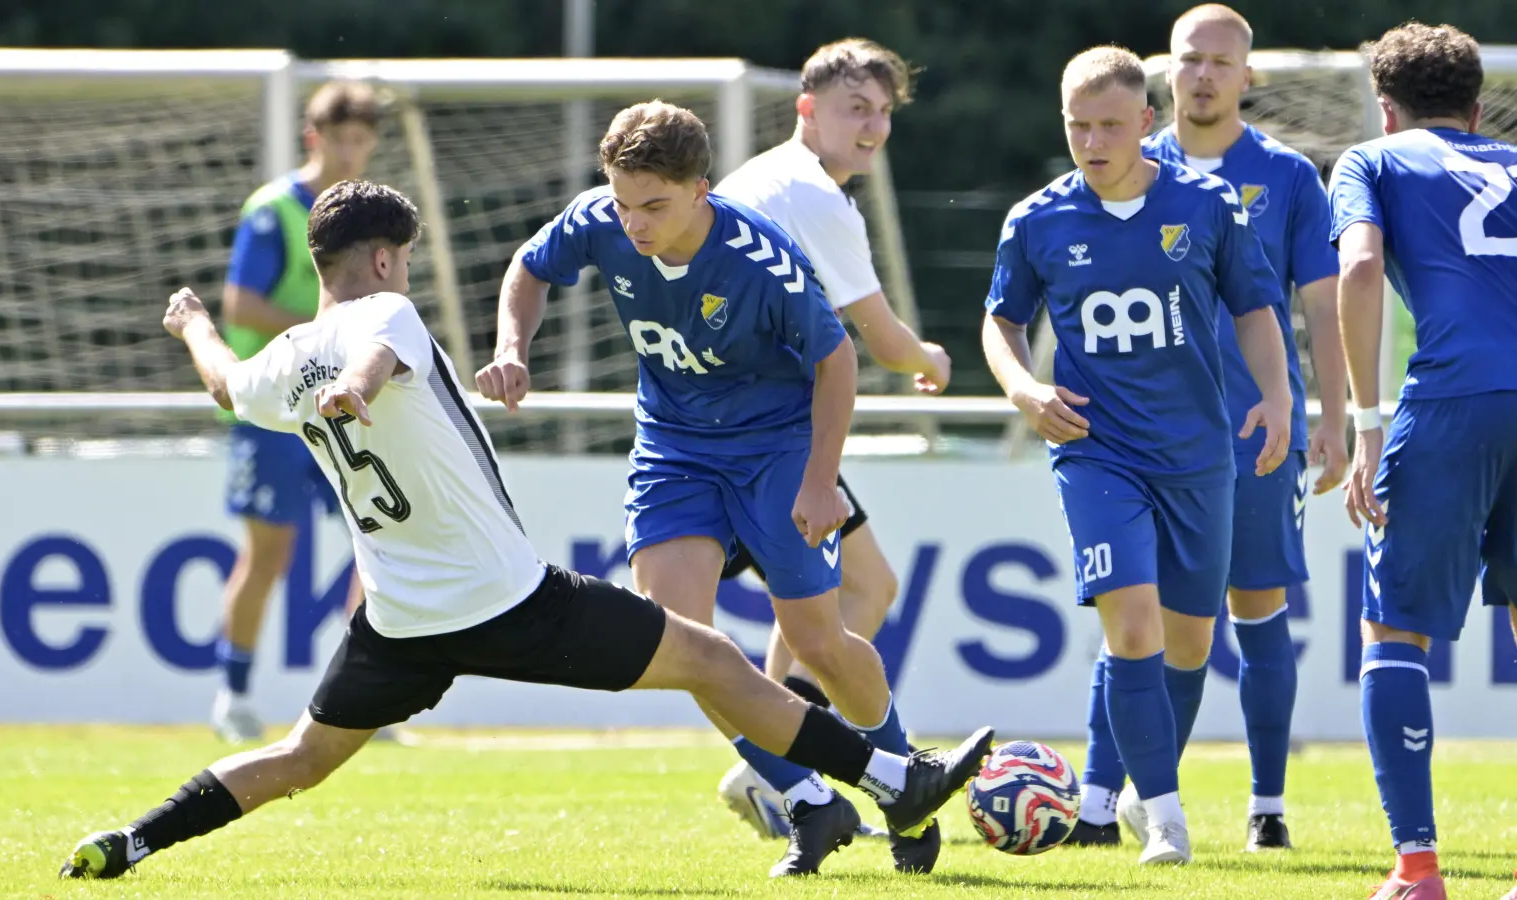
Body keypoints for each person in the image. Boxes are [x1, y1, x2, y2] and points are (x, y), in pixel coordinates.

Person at [58, 179, 997, 881]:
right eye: (407, 262)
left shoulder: (283, 363)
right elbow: (382, 352)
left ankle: (133, 840)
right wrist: (362, 385)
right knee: (713, 659)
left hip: (400, 622)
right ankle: (887, 778)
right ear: (385, 260)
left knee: (300, 759)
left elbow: (224, 380)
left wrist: (189, 323)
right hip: (511, 600)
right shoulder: (386, 313)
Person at [476, 101, 946, 876]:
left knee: (822, 646)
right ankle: (807, 799)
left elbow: (838, 361)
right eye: (624, 204)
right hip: (675, 449)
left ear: (701, 190)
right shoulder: (600, 217)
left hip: (775, 451)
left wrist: (822, 481)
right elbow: (529, 268)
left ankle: (901, 779)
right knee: (681, 640)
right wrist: (510, 347)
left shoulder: (760, 259)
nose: (633, 224)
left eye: (654, 206)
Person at [982, 45, 1292, 866]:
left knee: (1190, 645)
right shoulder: (1037, 219)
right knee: (1132, 623)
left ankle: (1130, 789)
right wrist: (1022, 388)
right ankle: (1164, 817)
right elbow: (1000, 321)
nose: (1092, 140)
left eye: (1110, 124)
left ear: (1146, 124)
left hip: (1197, 455)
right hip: (1095, 450)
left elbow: (1257, 306)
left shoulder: (1207, 202)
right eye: (1078, 125)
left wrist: (1280, 395)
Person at [1065, 4, 1348, 853]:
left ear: (1247, 77)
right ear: (1167, 73)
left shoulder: (1290, 177)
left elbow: (1320, 302)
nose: (1204, 75)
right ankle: (1102, 797)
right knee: (1131, 620)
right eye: (1190, 59)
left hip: (1252, 431)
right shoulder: (1120, 166)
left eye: (1221, 62)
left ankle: (1266, 805)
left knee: (1257, 610)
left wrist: (1331, 415)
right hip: (1136, 440)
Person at [710, 37, 949, 848]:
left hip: (742, 426)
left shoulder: (764, 180)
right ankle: (782, 770)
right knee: (846, 602)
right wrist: (932, 358)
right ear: (806, 110)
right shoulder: (813, 196)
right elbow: (881, 338)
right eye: (857, 108)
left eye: (883, 112)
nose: (874, 126)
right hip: (755, 442)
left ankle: (777, 767)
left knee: (861, 591)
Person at [1326, 22, 1517, 900]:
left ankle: (1418, 870)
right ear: (1479, 108)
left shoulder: (1373, 161)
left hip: (1453, 400)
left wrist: (1368, 422)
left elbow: (1360, 272)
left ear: (1386, 108)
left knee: (1393, 629)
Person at [212, 81, 380, 744]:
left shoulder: (369, 216)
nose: (349, 152)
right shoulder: (274, 210)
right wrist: (320, 337)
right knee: (269, 554)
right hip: (274, 412)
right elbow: (239, 307)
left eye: (361, 141)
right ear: (314, 137)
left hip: (341, 408)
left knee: (380, 549)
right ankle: (235, 693)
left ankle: (361, 697)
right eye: (338, 138)